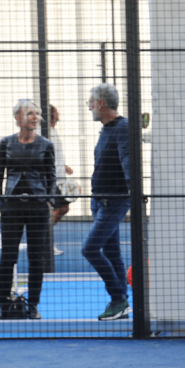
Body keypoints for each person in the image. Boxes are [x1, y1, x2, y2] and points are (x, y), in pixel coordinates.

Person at [0, 99, 55, 320]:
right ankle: (3, 305)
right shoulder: (5, 143)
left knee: (36, 258)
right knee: (8, 257)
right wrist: (0, 201)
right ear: (18, 118)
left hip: (38, 207)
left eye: (37, 114)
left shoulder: (46, 144)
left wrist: (47, 199)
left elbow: (51, 176)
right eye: (30, 114)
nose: (35, 118)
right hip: (12, 206)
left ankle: (33, 306)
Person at [81, 84, 132, 321]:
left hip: (114, 201)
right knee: (112, 254)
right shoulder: (106, 129)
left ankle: (118, 298)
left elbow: (127, 159)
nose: (89, 106)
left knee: (90, 249)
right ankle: (121, 304)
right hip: (100, 201)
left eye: (91, 102)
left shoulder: (122, 128)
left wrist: (133, 190)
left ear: (101, 103)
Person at [47, 104, 74, 255]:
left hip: (59, 179)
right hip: (51, 180)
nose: (58, 113)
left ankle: (44, 237)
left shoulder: (53, 131)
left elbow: (53, 155)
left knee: (63, 208)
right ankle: (44, 240)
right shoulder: (45, 133)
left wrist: (63, 166)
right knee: (58, 209)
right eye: (55, 111)